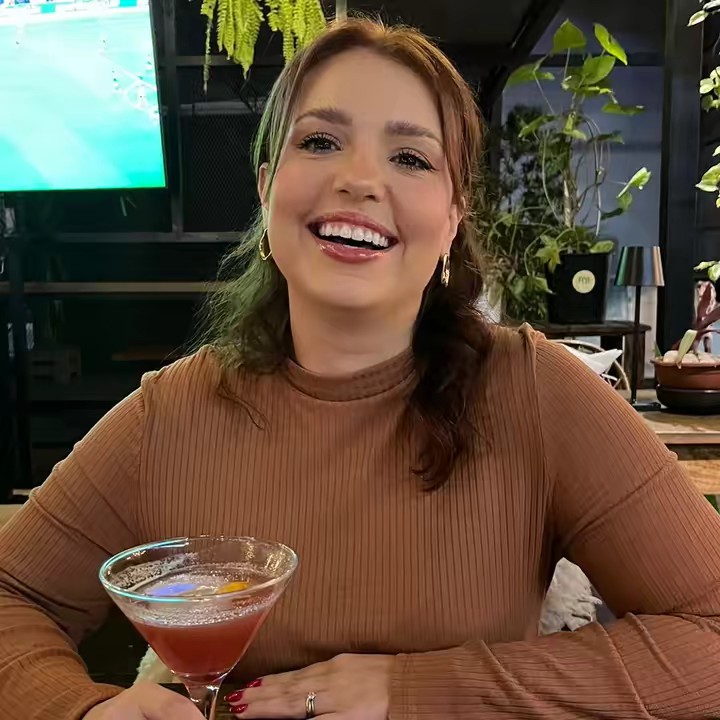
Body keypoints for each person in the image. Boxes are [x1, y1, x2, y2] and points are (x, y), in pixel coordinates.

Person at [1, 17, 719, 720]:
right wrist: (83, 710)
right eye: (320, 141)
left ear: (452, 219)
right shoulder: (171, 413)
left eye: (411, 158)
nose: (360, 179)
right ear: (266, 189)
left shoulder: (536, 392)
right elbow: (13, 595)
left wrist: (415, 690)